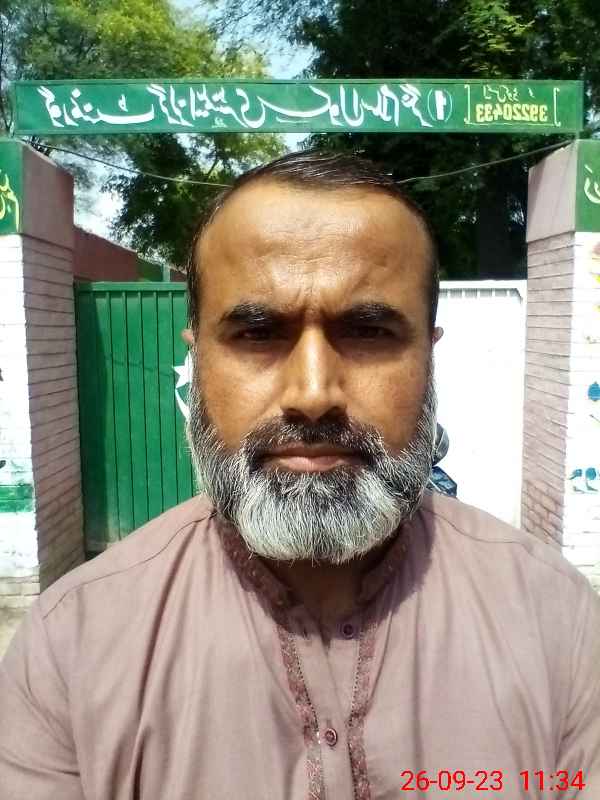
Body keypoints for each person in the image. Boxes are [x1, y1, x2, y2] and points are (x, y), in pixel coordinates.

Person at [1, 150, 599, 800]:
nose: (313, 394)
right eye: (258, 334)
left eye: (368, 332)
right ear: (197, 360)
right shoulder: (73, 645)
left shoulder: (556, 622)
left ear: (429, 356)